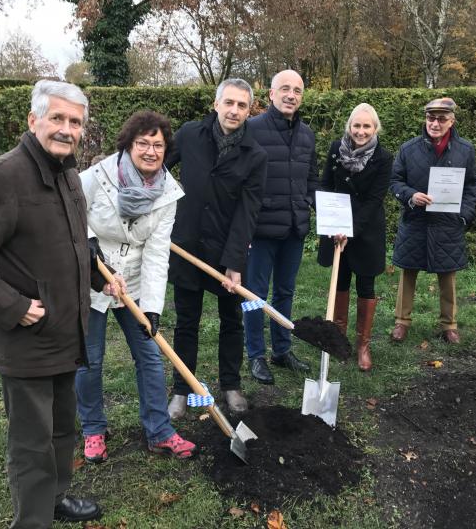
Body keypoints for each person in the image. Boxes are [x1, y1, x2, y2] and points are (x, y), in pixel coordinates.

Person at [0, 80, 111, 527]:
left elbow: (76, 243)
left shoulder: (69, 175)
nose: (66, 129)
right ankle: (32, 520)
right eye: (57, 118)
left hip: (64, 334)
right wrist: (14, 307)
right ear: (33, 120)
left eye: (75, 122)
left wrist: (98, 274)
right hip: (26, 338)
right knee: (31, 442)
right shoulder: (4, 176)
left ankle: (54, 498)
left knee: (59, 429)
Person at [76, 111, 197, 462]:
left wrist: (153, 307)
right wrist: (86, 240)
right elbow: (68, 211)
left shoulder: (168, 194)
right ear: (128, 145)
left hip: (134, 285)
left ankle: (159, 431)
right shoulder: (97, 178)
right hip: (92, 279)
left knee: (150, 357)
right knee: (90, 360)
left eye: (157, 145)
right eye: (142, 143)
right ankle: (93, 429)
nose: (150, 151)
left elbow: (158, 254)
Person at [165, 78, 267, 419]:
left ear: (249, 110)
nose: (234, 110)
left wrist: (235, 261)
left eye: (242, 105)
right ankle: (182, 388)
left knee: (232, 321)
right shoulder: (190, 135)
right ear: (216, 104)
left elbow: (248, 211)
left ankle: (230, 384)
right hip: (187, 246)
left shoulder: (255, 154)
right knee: (186, 321)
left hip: (228, 251)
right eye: (229, 103)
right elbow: (156, 168)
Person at [243, 69, 318, 385]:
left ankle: (282, 349)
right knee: (254, 295)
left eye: (298, 90)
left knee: (285, 292)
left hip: (294, 228)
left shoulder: (307, 135)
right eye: (285, 89)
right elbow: (240, 180)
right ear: (271, 94)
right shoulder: (251, 129)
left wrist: (329, 217)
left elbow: (312, 179)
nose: (291, 95)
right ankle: (256, 355)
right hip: (260, 231)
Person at [389, 97, 476, 344]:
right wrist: (410, 195)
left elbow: (472, 185)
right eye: (431, 118)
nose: (435, 124)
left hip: (448, 223)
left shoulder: (465, 150)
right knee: (408, 272)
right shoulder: (408, 149)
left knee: (447, 274)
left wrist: (465, 213)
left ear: (452, 121)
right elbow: (395, 181)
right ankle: (401, 321)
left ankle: (449, 324)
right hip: (415, 220)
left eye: (441, 119)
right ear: (425, 119)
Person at [317, 103, 393, 371]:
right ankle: (339, 340)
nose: (361, 131)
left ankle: (363, 345)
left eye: (367, 126)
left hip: (365, 231)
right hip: (336, 229)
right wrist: (328, 217)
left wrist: (351, 229)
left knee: (366, 285)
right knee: (340, 283)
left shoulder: (384, 157)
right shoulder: (336, 149)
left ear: (375, 129)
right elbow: (325, 183)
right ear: (350, 127)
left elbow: (374, 200)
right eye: (356, 126)